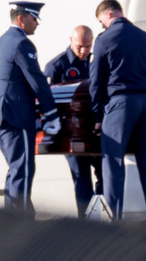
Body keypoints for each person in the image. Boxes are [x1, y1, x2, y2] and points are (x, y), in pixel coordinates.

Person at [0, 1, 61, 218]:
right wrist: (52, 114)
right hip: (14, 116)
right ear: (21, 18)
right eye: (34, 18)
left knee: (16, 168)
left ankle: (12, 219)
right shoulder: (21, 44)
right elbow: (36, 80)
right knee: (23, 169)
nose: (36, 23)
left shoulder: (2, 42)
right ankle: (21, 223)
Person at [88, 0, 146, 220]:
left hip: (122, 103)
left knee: (112, 164)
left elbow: (96, 81)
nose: (102, 26)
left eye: (101, 21)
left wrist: (97, 115)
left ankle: (114, 223)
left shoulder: (105, 39)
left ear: (108, 15)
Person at [45, 25, 103, 219]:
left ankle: (102, 214)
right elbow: (48, 101)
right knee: (81, 178)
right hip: (72, 134)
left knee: (105, 173)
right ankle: (85, 221)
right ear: (70, 40)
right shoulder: (57, 66)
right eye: (80, 46)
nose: (84, 51)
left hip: (95, 130)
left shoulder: (96, 62)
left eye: (88, 46)